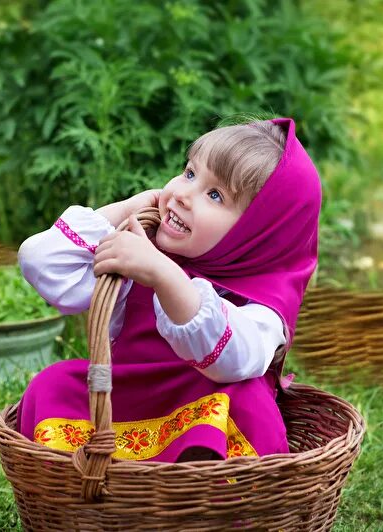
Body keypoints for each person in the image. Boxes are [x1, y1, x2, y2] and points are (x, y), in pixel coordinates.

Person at [16, 117, 320, 462]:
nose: (184, 195)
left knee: (246, 398)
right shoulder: (143, 252)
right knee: (52, 382)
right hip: (121, 408)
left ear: (257, 235)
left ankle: (206, 496)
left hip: (197, 416)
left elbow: (228, 361)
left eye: (215, 195)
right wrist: (129, 208)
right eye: (190, 173)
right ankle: (88, 485)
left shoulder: (262, 303)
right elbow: (41, 262)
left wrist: (164, 275)